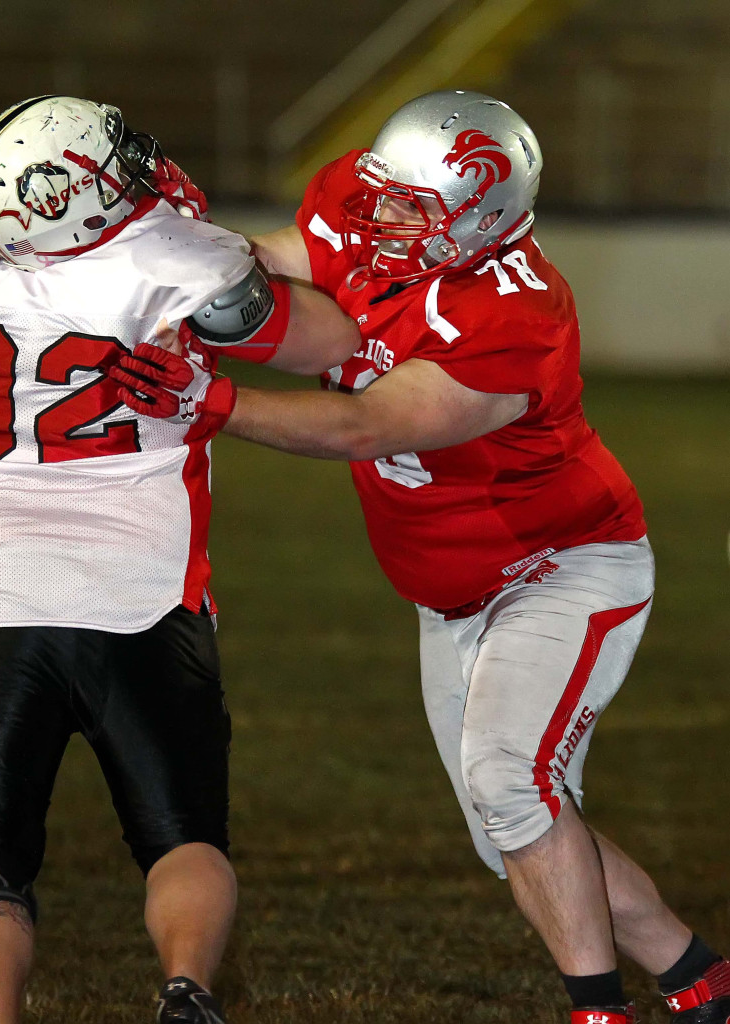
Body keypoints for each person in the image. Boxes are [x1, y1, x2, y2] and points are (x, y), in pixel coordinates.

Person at [111, 90, 730, 1023]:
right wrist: (172, 237)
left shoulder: (514, 315)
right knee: (512, 830)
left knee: (511, 789)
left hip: (559, 565)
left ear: (481, 215)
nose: (377, 217)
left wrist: (213, 403)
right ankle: (698, 979)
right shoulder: (375, 209)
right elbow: (276, 258)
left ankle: (597, 1011)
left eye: (411, 206)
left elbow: (365, 424)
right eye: (379, 192)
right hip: (449, 590)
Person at [0, 93, 359, 1024]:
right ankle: (185, 988)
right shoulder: (183, 261)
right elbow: (335, 343)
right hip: (147, 605)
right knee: (183, 838)